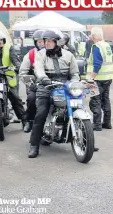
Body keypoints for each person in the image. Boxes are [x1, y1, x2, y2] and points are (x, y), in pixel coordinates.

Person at [27, 29, 81, 158]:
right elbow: (38, 69)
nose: (46, 43)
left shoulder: (69, 55)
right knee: (41, 113)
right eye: (45, 41)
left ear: (57, 42)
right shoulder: (40, 54)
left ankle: (86, 138)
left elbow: (74, 73)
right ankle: (34, 145)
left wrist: (74, 82)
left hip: (65, 86)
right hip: (47, 86)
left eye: (50, 41)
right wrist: (43, 78)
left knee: (78, 106)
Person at [87, 27, 113, 131]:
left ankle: (97, 124)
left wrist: (91, 78)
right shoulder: (106, 45)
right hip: (108, 78)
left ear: (93, 36)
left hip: (97, 79)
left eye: (90, 34)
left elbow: (97, 64)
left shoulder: (96, 46)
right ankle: (107, 123)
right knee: (105, 100)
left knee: (96, 101)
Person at [18, 29, 46, 133]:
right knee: (31, 98)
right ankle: (29, 120)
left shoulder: (53, 53)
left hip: (52, 83)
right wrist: (31, 84)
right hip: (35, 84)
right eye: (39, 42)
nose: (42, 44)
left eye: (44, 41)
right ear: (35, 42)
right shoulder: (30, 55)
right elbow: (22, 73)